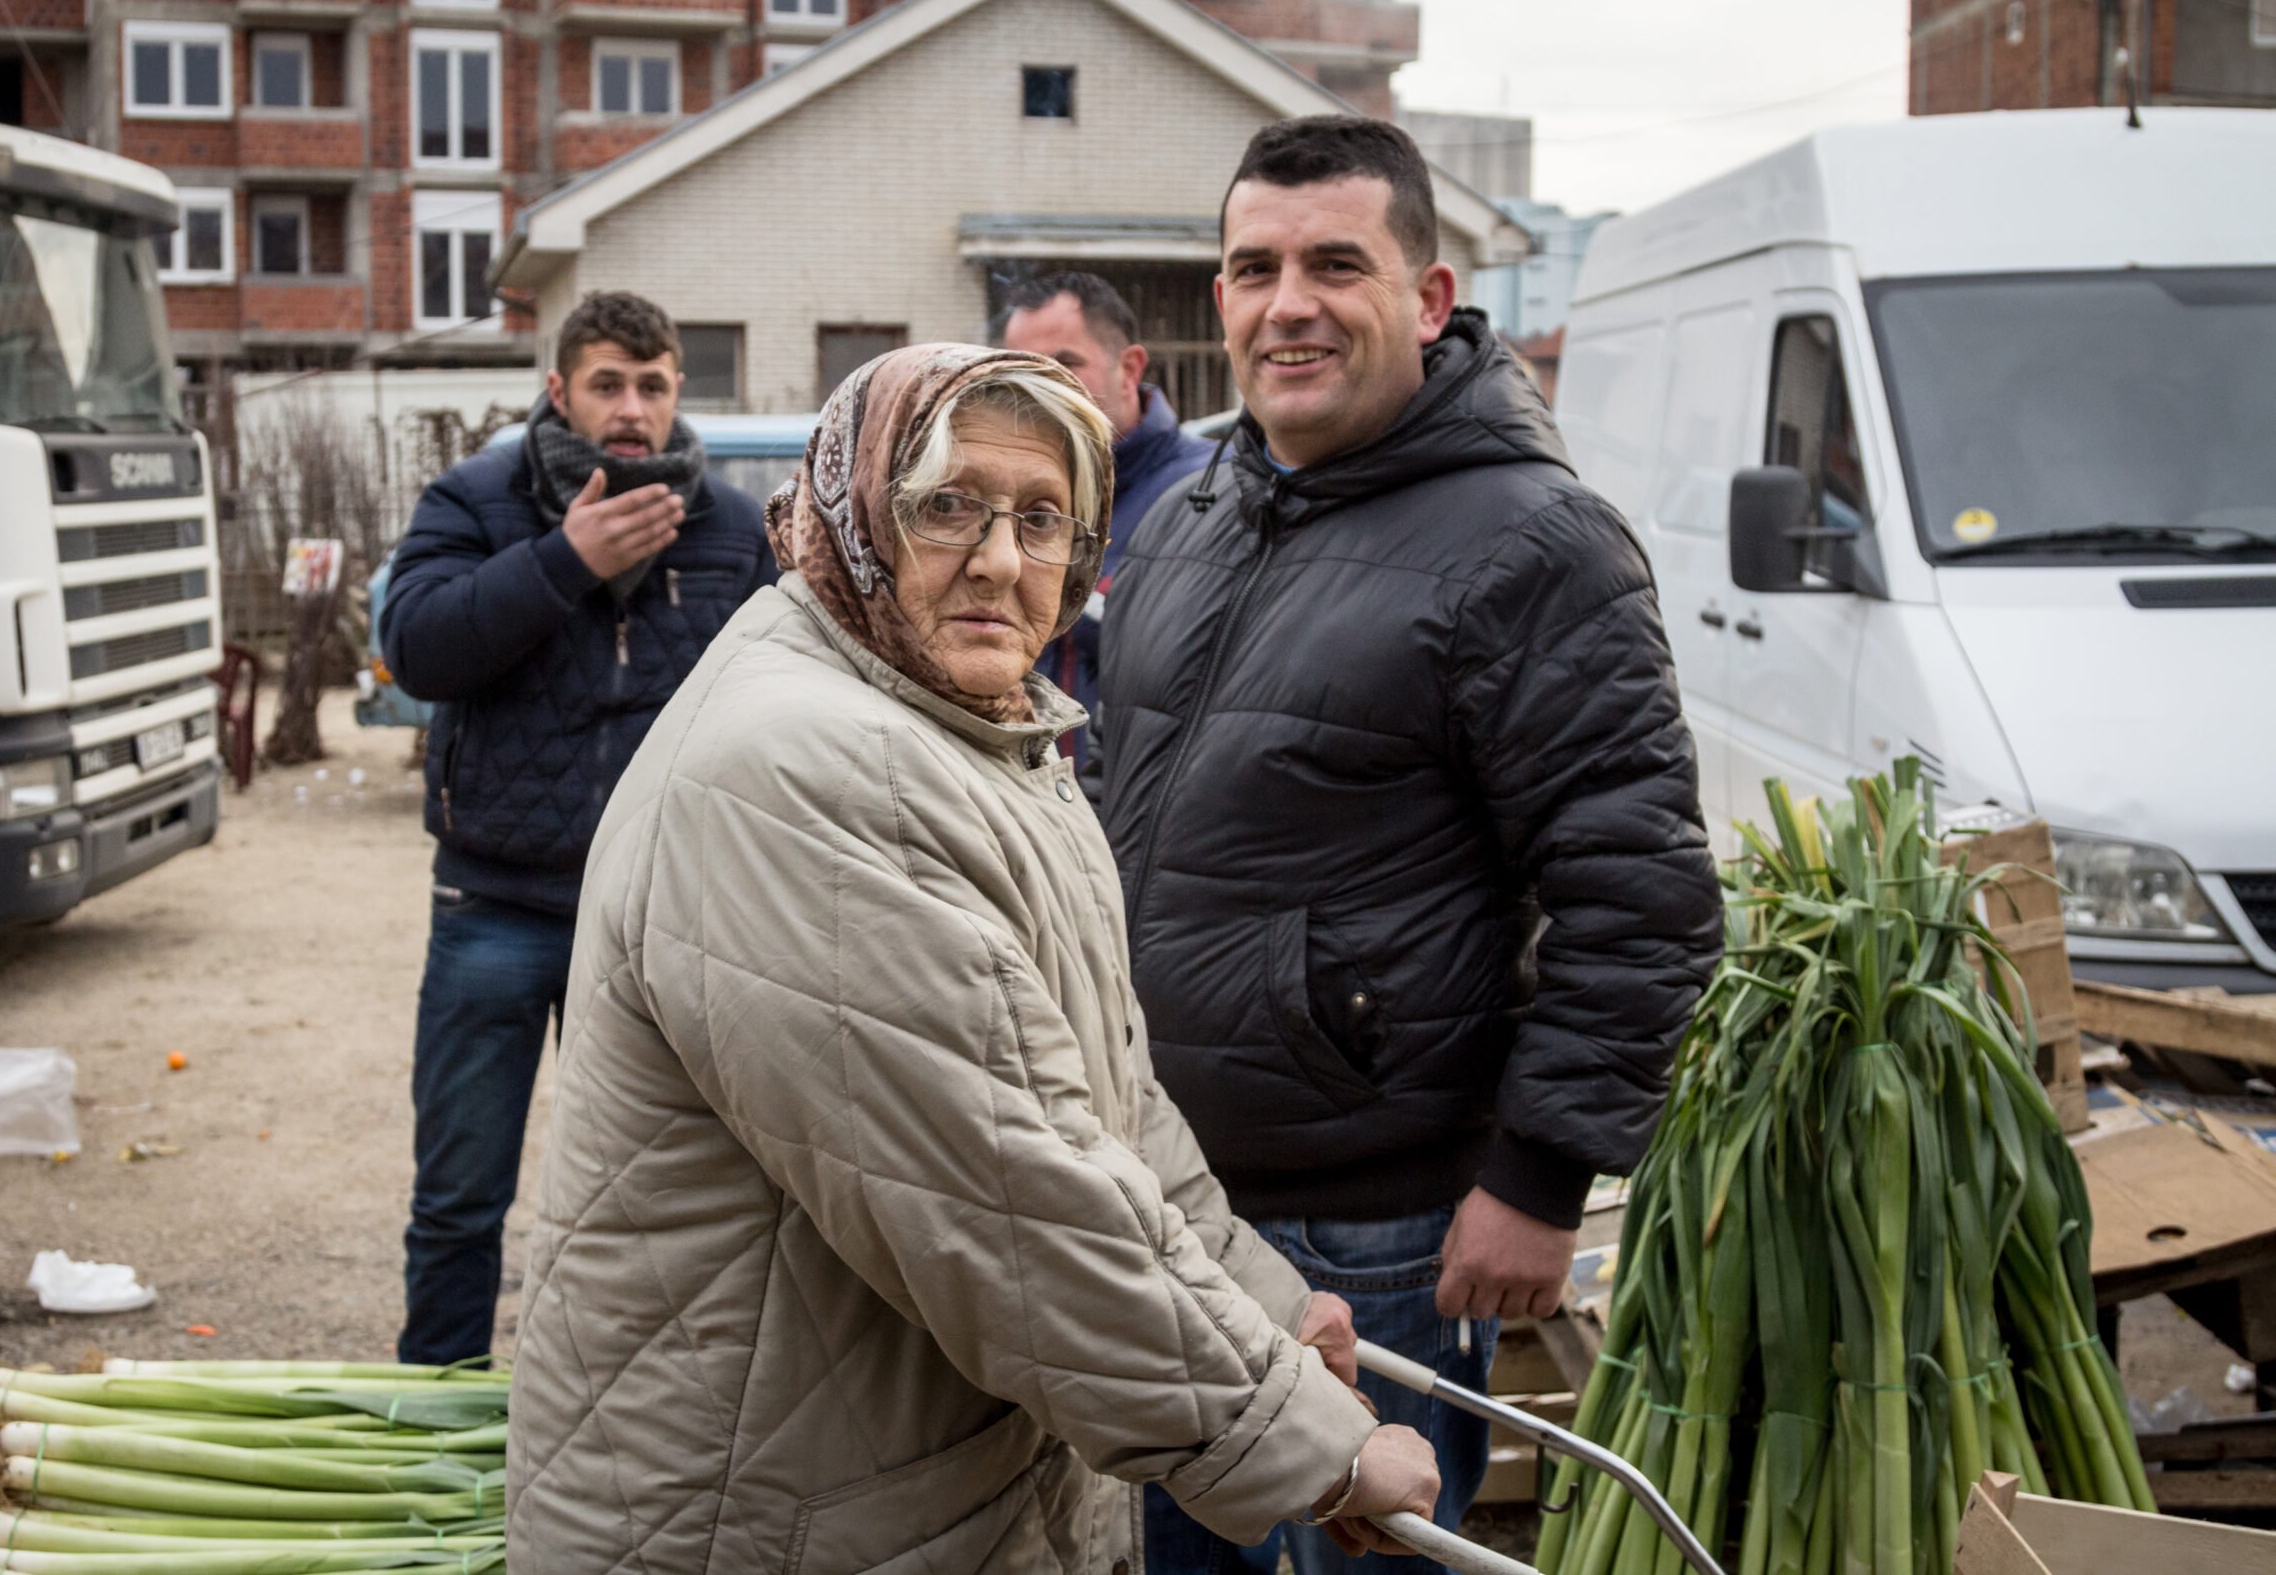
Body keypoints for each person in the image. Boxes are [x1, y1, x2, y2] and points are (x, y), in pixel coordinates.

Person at [505, 344, 1441, 1573]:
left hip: (877, 1486)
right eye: (947, 505)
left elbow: (1096, 1105)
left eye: (1044, 519)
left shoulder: (967, 733)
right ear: (849, 516)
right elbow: (1003, 1191)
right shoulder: (795, 768)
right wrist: (1295, 1438)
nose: (1002, 558)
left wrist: (1268, 1307)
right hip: (757, 1519)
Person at [1100, 117, 1725, 1574]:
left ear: (1430, 298)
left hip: (1368, 1225)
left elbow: (1642, 894)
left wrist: (1539, 1171)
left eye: (1336, 263)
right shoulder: (1191, 516)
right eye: (1254, 267)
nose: (1288, 302)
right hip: (1173, 1196)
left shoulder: (1534, 542)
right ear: (1220, 300)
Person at [377, 290, 779, 1365]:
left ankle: (619, 1434)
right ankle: (438, 1417)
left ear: (678, 391)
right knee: (460, 1196)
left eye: (652, 385)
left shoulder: (733, 528)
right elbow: (415, 651)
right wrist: (565, 560)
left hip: (658, 913)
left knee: (653, 1210)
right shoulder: (476, 499)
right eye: (608, 383)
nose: (631, 409)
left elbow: (785, 698)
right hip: (493, 909)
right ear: (558, 391)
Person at [997, 272, 1213, 771]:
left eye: (1066, 364)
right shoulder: (1001, 501)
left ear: (1130, 368)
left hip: (1135, 809)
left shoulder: (1209, 491)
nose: (1039, 388)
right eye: (1022, 368)